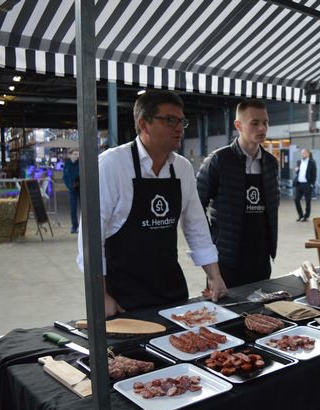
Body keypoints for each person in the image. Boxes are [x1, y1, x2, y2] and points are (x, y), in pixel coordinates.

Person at [76, 90, 226, 316]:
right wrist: (101, 294)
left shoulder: (182, 168)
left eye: (181, 121)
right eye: (170, 120)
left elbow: (196, 225)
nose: (179, 128)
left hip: (172, 291)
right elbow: (90, 238)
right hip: (123, 297)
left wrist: (215, 276)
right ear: (143, 124)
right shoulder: (111, 165)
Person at [196, 99, 279, 289]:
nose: (262, 128)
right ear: (238, 125)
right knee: (226, 306)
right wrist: (213, 241)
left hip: (260, 258)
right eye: (255, 123)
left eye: (265, 122)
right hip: (226, 259)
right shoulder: (219, 160)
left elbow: (273, 205)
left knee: (260, 304)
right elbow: (195, 206)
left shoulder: (270, 163)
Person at [293, 148, 317, 222]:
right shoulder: (299, 162)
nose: (302, 154)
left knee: (307, 201)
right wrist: (296, 170)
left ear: (307, 154)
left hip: (307, 184)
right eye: (301, 153)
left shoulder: (312, 163)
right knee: (296, 199)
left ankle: (306, 216)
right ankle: (300, 215)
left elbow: (314, 175)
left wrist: (312, 184)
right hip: (299, 184)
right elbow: (298, 172)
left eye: (303, 153)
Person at [62, 149, 80, 233]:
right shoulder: (67, 164)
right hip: (72, 189)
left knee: (84, 208)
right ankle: (74, 225)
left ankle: (83, 225)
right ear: (70, 155)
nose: (77, 156)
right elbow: (65, 177)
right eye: (75, 154)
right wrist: (69, 186)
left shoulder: (80, 163)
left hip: (80, 188)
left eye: (78, 154)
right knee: (73, 209)